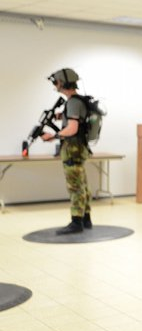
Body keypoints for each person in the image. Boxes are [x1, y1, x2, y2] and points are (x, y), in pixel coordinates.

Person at [41, 68, 92, 235]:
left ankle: (76, 222)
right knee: (82, 184)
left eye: (56, 82)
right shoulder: (77, 101)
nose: (55, 85)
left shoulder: (73, 102)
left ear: (62, 82)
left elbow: (72, 128)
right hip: (78, 149)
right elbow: (74, 120)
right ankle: (85, 218)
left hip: (73, 150)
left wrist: (53, 135)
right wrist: (56, 117)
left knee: (75, 186)